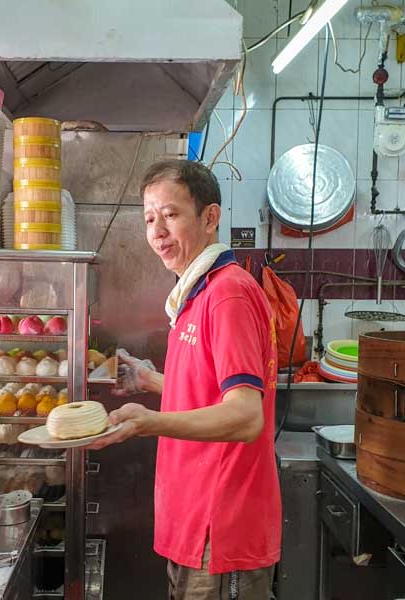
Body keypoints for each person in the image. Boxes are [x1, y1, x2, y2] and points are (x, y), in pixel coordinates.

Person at [88, 160, 281, 600]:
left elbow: (246, 416)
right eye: (150, 219)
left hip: (222, 527)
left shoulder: (226, 294)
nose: (157, 232)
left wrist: (148, 422)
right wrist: (150, 379)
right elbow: (206, 389)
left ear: (209, 217)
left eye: (171, 215)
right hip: (191, 520)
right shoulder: (193, 296)